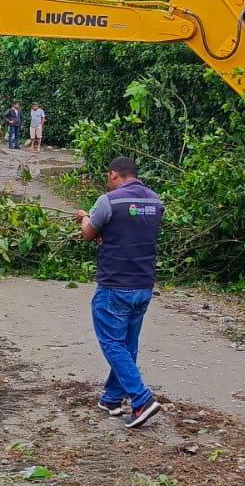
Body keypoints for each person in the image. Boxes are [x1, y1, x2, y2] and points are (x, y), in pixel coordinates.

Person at [75, 157, 165, 428]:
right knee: (127, 345)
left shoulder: (108, 201)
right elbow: (134, 232)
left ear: (114, 174)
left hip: (115, 284)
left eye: (108, 176)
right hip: (143, 284)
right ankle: (112, 398)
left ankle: (141, 399)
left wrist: (84, 217)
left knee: (112, 344)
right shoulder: (155, 201)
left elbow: (88, 233)